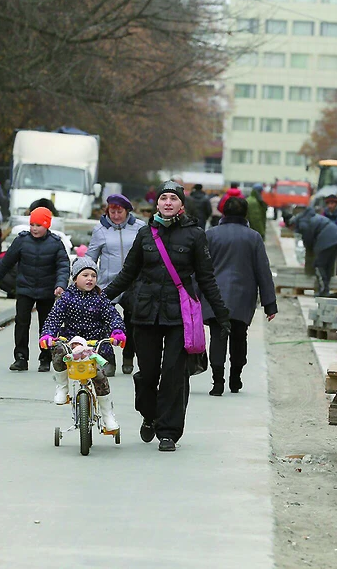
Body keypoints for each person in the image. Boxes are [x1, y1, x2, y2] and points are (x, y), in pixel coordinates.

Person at [105, 180, 231, 453]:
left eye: (173, 198)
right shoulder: (145, 234)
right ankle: (149, 415)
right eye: (164, 198)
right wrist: (100, 297)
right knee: (147, 374)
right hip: (146, 313)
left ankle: (169, 432)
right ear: (158, 203)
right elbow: (127, 273)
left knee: (174, 375)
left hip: (179, 317)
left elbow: (207, 278)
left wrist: (222, 314)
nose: (168, 202)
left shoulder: (195, 235)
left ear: (181, 205)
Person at [39, 258, 127, 432]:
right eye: (85, 275)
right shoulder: (66, 298)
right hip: (72, 342)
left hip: (95, 344)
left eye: (93, 275)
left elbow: (113, 316)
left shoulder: (100, 298)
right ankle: (62, 387)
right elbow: (54, 318)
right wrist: (48, 334)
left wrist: (117, 331)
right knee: (58, 351)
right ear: (75, 277)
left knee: (100, 377)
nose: (90, 279)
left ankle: (107, 414)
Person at [202, 197, 277, 396]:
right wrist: (270, 304)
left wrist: (195, 296)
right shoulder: (253, 237)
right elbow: (263, 271)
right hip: (243, 296)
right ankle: (236, 377)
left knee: (218, 337)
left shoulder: (210, 235)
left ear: (223, 212)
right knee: (239, 336)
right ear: (245, 214)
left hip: (215, 295)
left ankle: (217, 382)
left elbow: (200, 268)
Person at [0, 207, 70, 372]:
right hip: (25, 289)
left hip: (46, 291)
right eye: (32, 224)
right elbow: (6, 262)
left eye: (39, 225)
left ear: (47, 225)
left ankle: (45, 358)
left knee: (47, 325)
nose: (34, 228)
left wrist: (60, 285)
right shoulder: (22, 241)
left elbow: (63, 266)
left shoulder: (55, 243)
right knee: (22, 323)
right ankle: (21, 357)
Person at [86, 193, 145, 375]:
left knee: (131, 324)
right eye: (112, 211)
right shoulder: (100, 230)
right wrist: (83, 273)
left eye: (119, 211)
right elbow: (91, 256)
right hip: (108, 284)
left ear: (127, 211)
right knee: (104, 324)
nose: (116, 215)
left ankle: (128, 358)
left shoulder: (140, 228)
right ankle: (108, 360)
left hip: (132, 284)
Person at [290, 206, 337, 297]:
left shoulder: (303, 223)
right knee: (327, 265)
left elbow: (308, 240)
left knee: (318, 265)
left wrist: (309, 251)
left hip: (328, 239)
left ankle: (323, 289)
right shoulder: (308, 218)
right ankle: (326, 289)